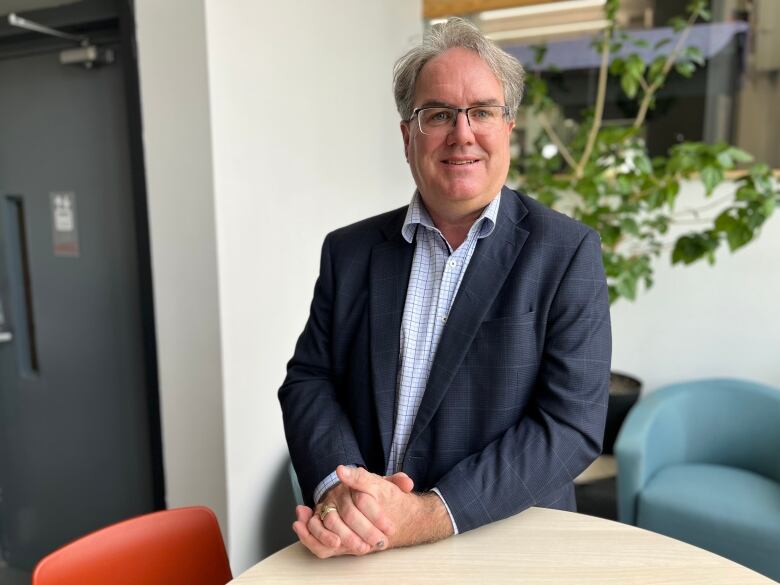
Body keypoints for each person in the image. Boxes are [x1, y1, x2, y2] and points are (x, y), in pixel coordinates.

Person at [278, 17, 611, 559]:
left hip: (506, 540)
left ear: (508, 128)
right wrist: (341, 490)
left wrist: (430, 513)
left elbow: (569, 424)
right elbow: (310, 381)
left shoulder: (566, 252)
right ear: (409, 135)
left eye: (481, 111)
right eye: (438, 114)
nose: (463, 133)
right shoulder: (350, 251)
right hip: (367, 541)